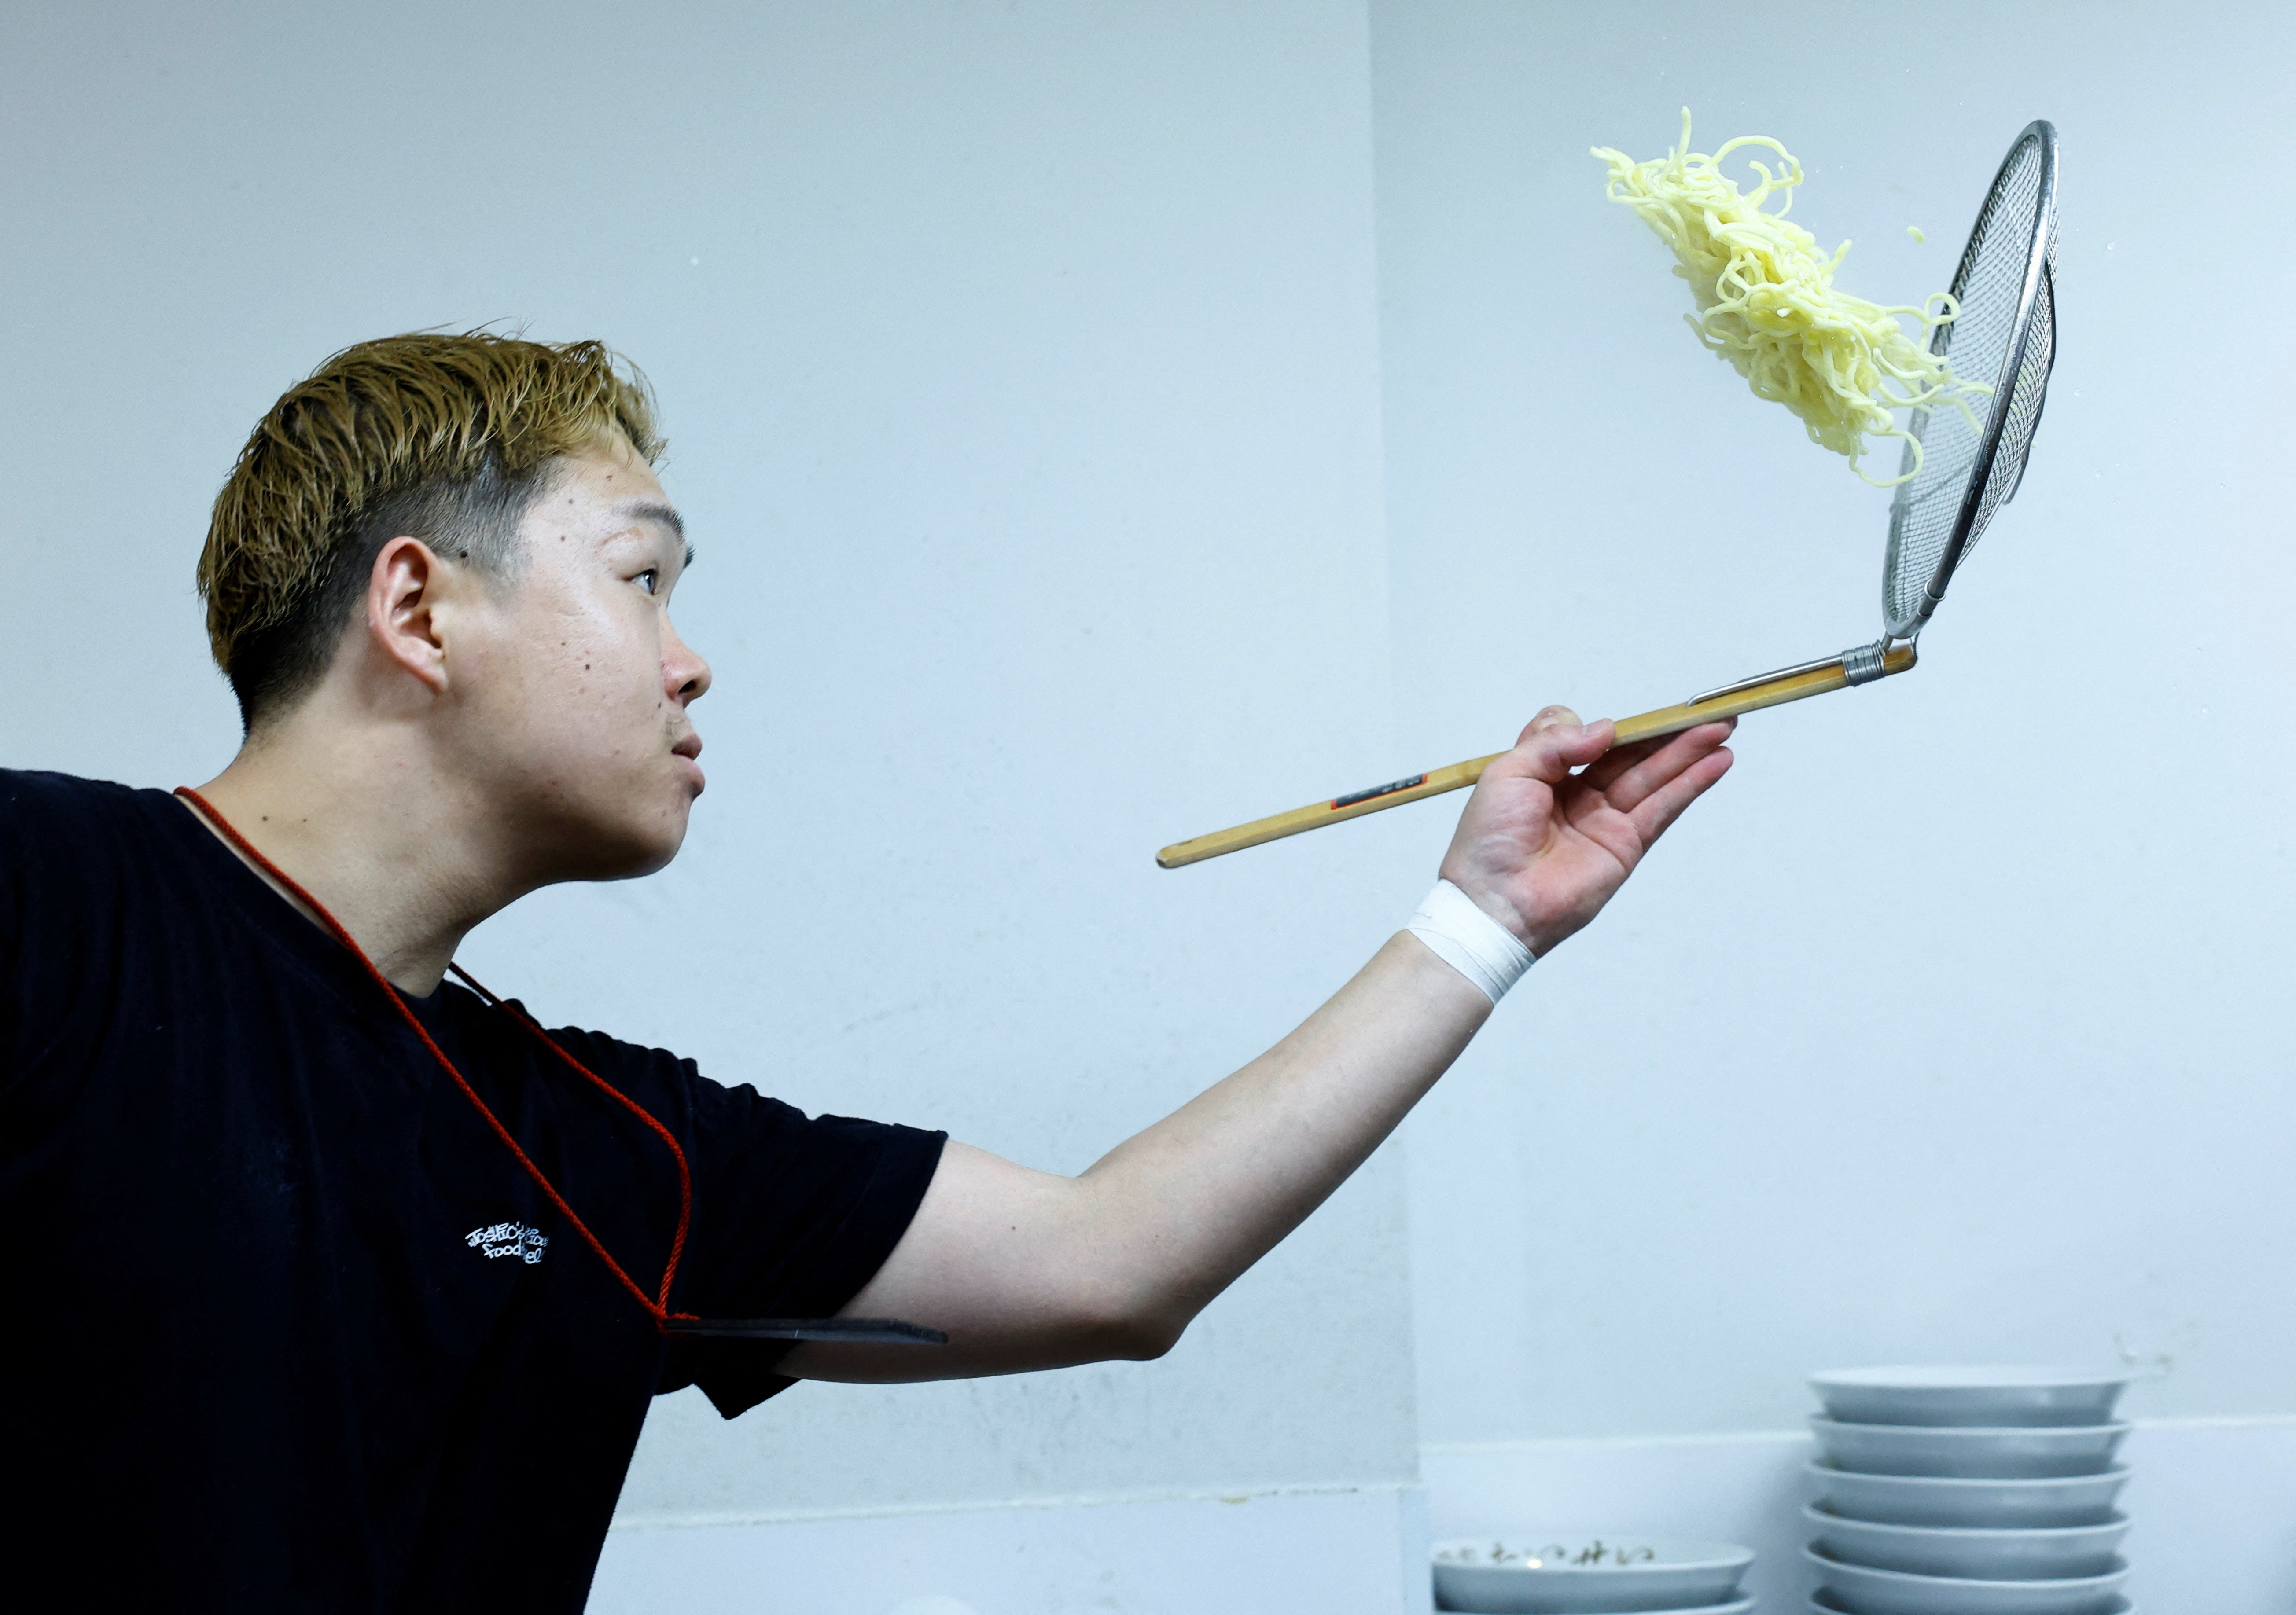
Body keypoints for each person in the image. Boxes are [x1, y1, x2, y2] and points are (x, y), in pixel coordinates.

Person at [0, 332, 1733, 1612]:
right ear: (422, 609)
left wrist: (1488, 918)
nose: (692, 668)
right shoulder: (51, 901)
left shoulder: (607, 1155)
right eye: (642, 580)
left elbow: (1108, 1265)